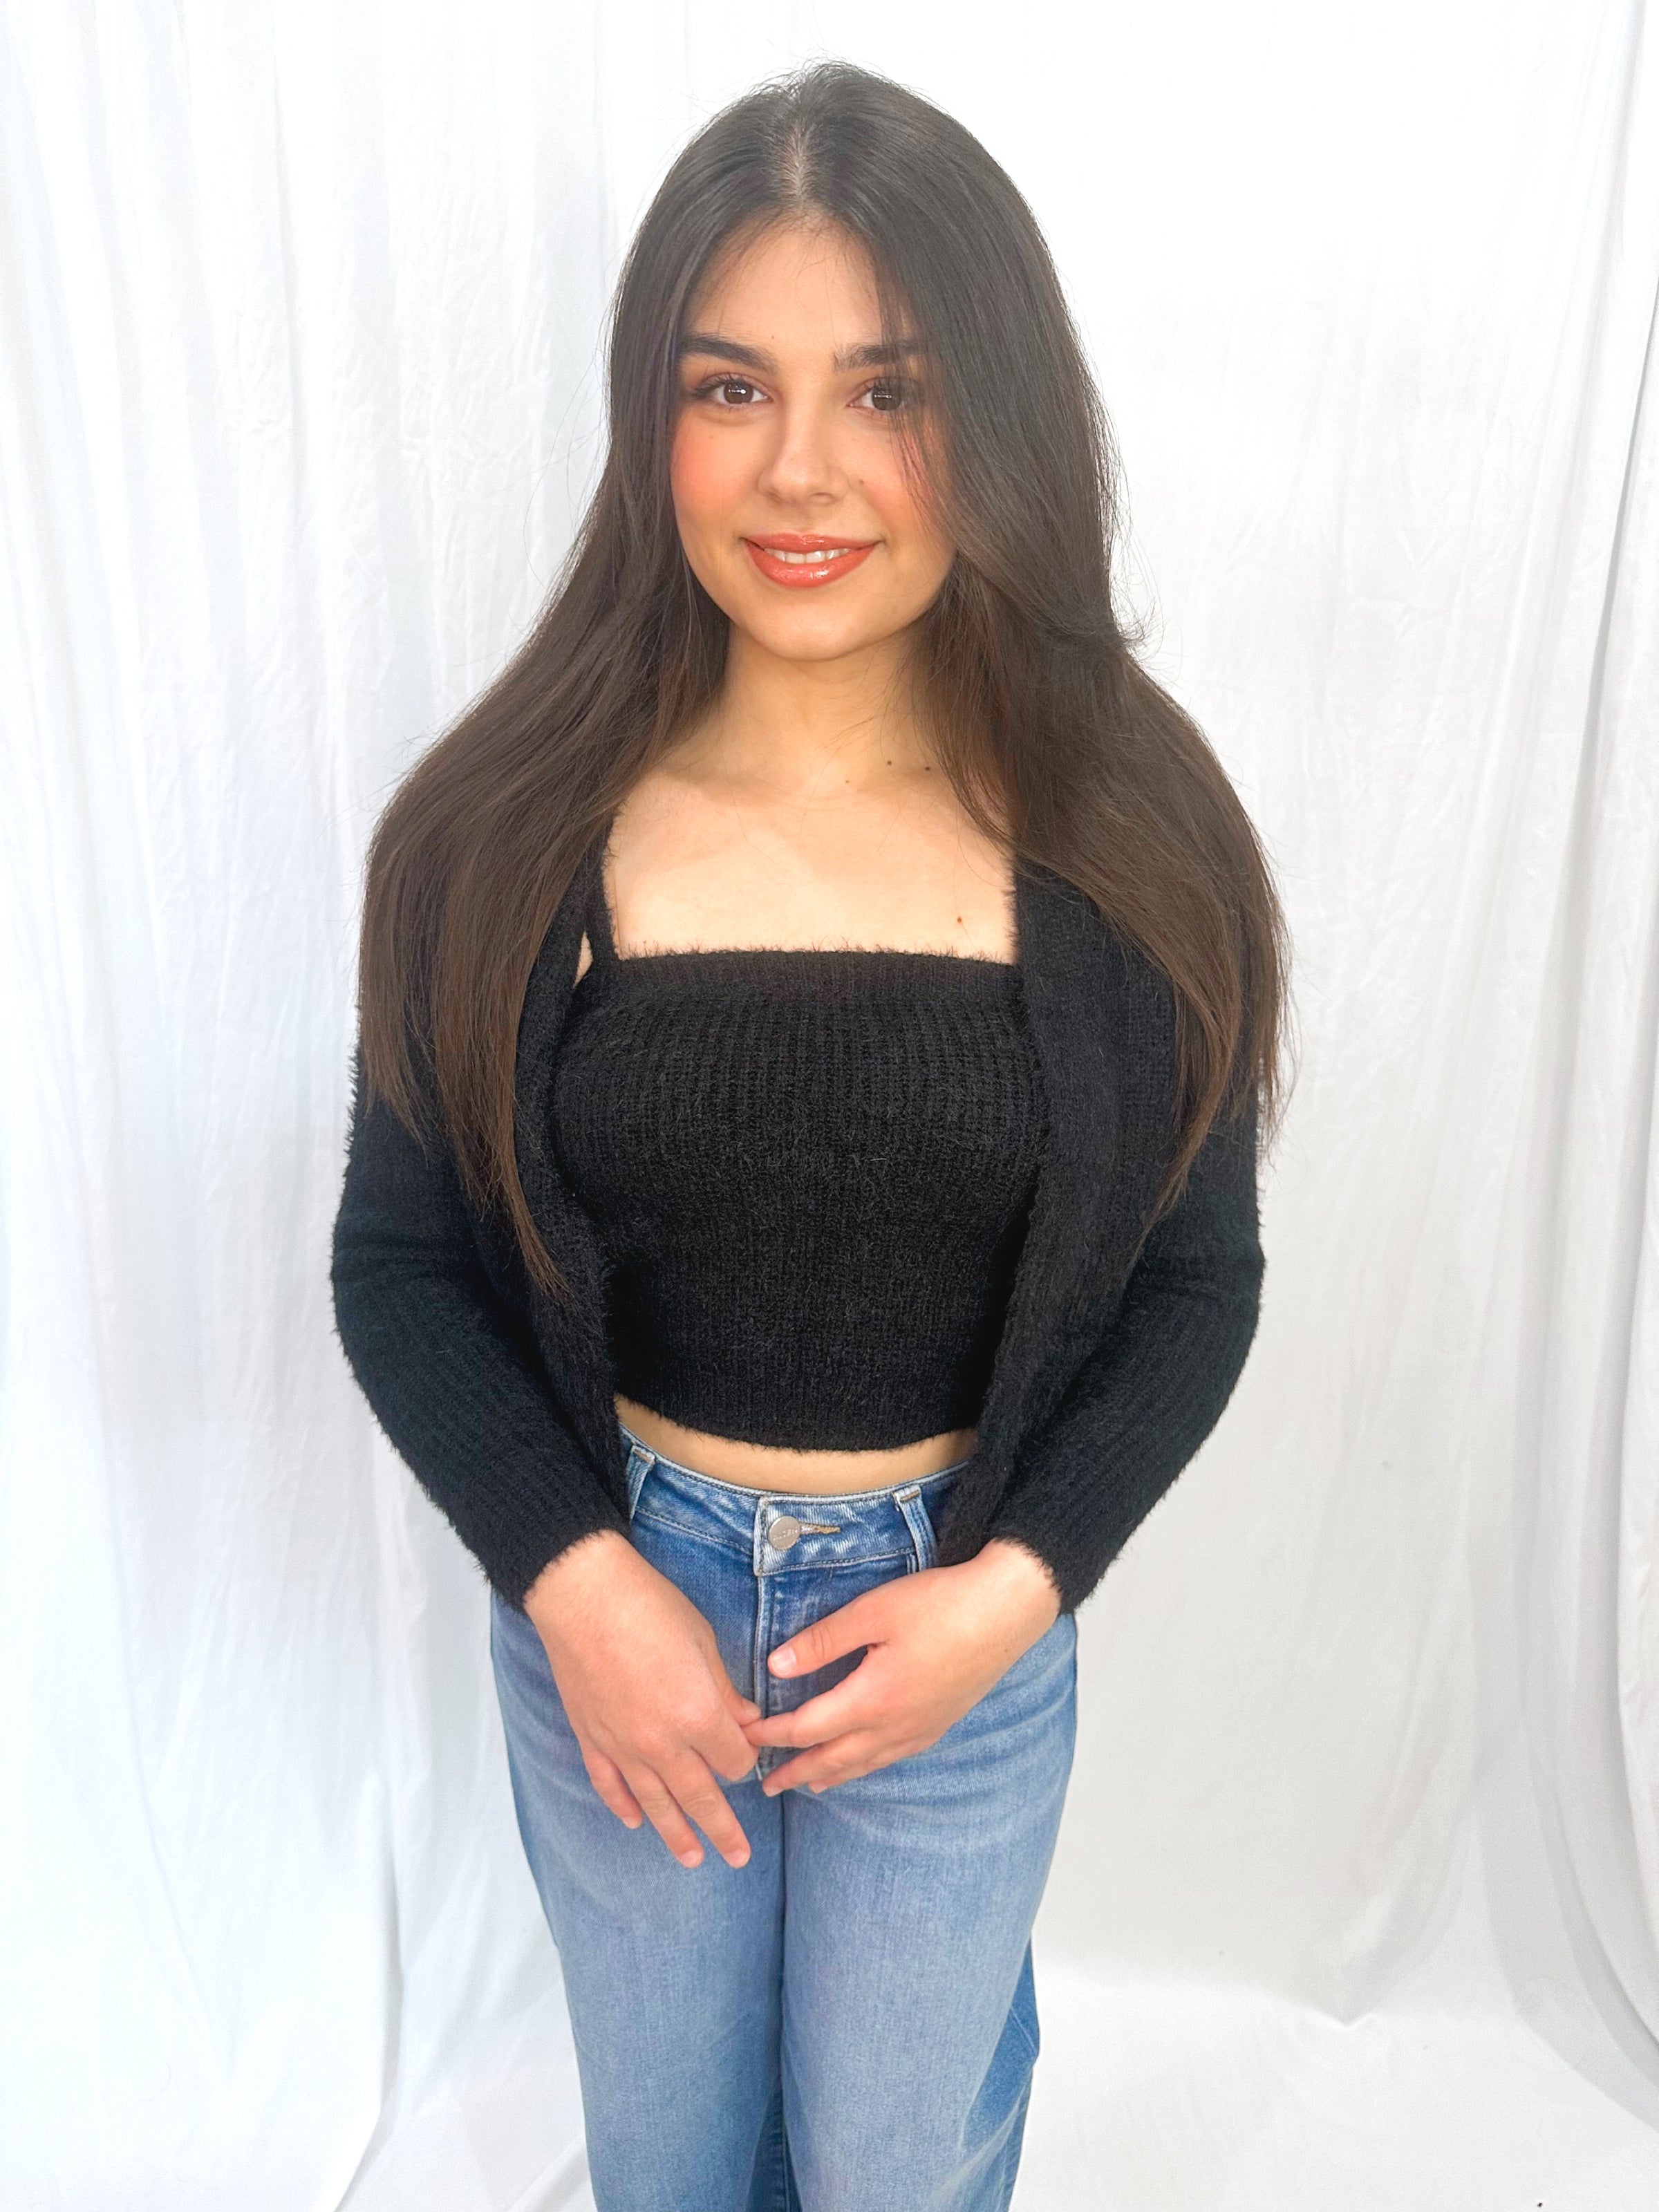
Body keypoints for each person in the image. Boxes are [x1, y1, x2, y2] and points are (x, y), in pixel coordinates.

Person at [330, 57, 1289, 2212]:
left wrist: (1011, 1594)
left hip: (951, 1619)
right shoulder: (498, 833)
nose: (802, 469)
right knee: (669, 2164)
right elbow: (397, 1267)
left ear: (997, 417)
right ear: (650, 418)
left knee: (892, 2169)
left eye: (888, 389)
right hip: (624, 1607)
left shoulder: (1133, 829)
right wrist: (577, 1582)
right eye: (730, 387)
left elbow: (1198, 1283)